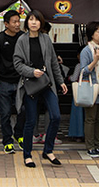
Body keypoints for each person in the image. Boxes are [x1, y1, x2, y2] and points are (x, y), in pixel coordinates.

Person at [13, 10, 67, 168]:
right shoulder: (22, 40)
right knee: (30, 121)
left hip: (46, 83)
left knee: (56, 116)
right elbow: (17, 63)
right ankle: (27, 155)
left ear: (41, 23)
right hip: (30, 85)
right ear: (27, 23)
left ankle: (48, 150)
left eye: (37, 20)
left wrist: (60, 81)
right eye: (31, 19)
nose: (34, 22)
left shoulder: (46, 39)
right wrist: (31, 72)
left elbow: (53, 63)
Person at [0, 9, 25, 153]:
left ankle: (18, 134)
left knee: (24, 110)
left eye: (18, 21)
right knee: (6, 112)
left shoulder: (23, 37)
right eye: (14, 22)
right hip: (3, 81)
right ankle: (7, 140)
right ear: (6, 24)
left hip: (21, 81)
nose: (17, 24)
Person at [74, 20, 99, 158]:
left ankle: (97, 145)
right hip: (92, 89)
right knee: (91, 118)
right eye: (98, 31)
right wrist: (95, 61)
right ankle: (90, 146)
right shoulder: (86, 50)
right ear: (91, 34)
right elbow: (84, 70)